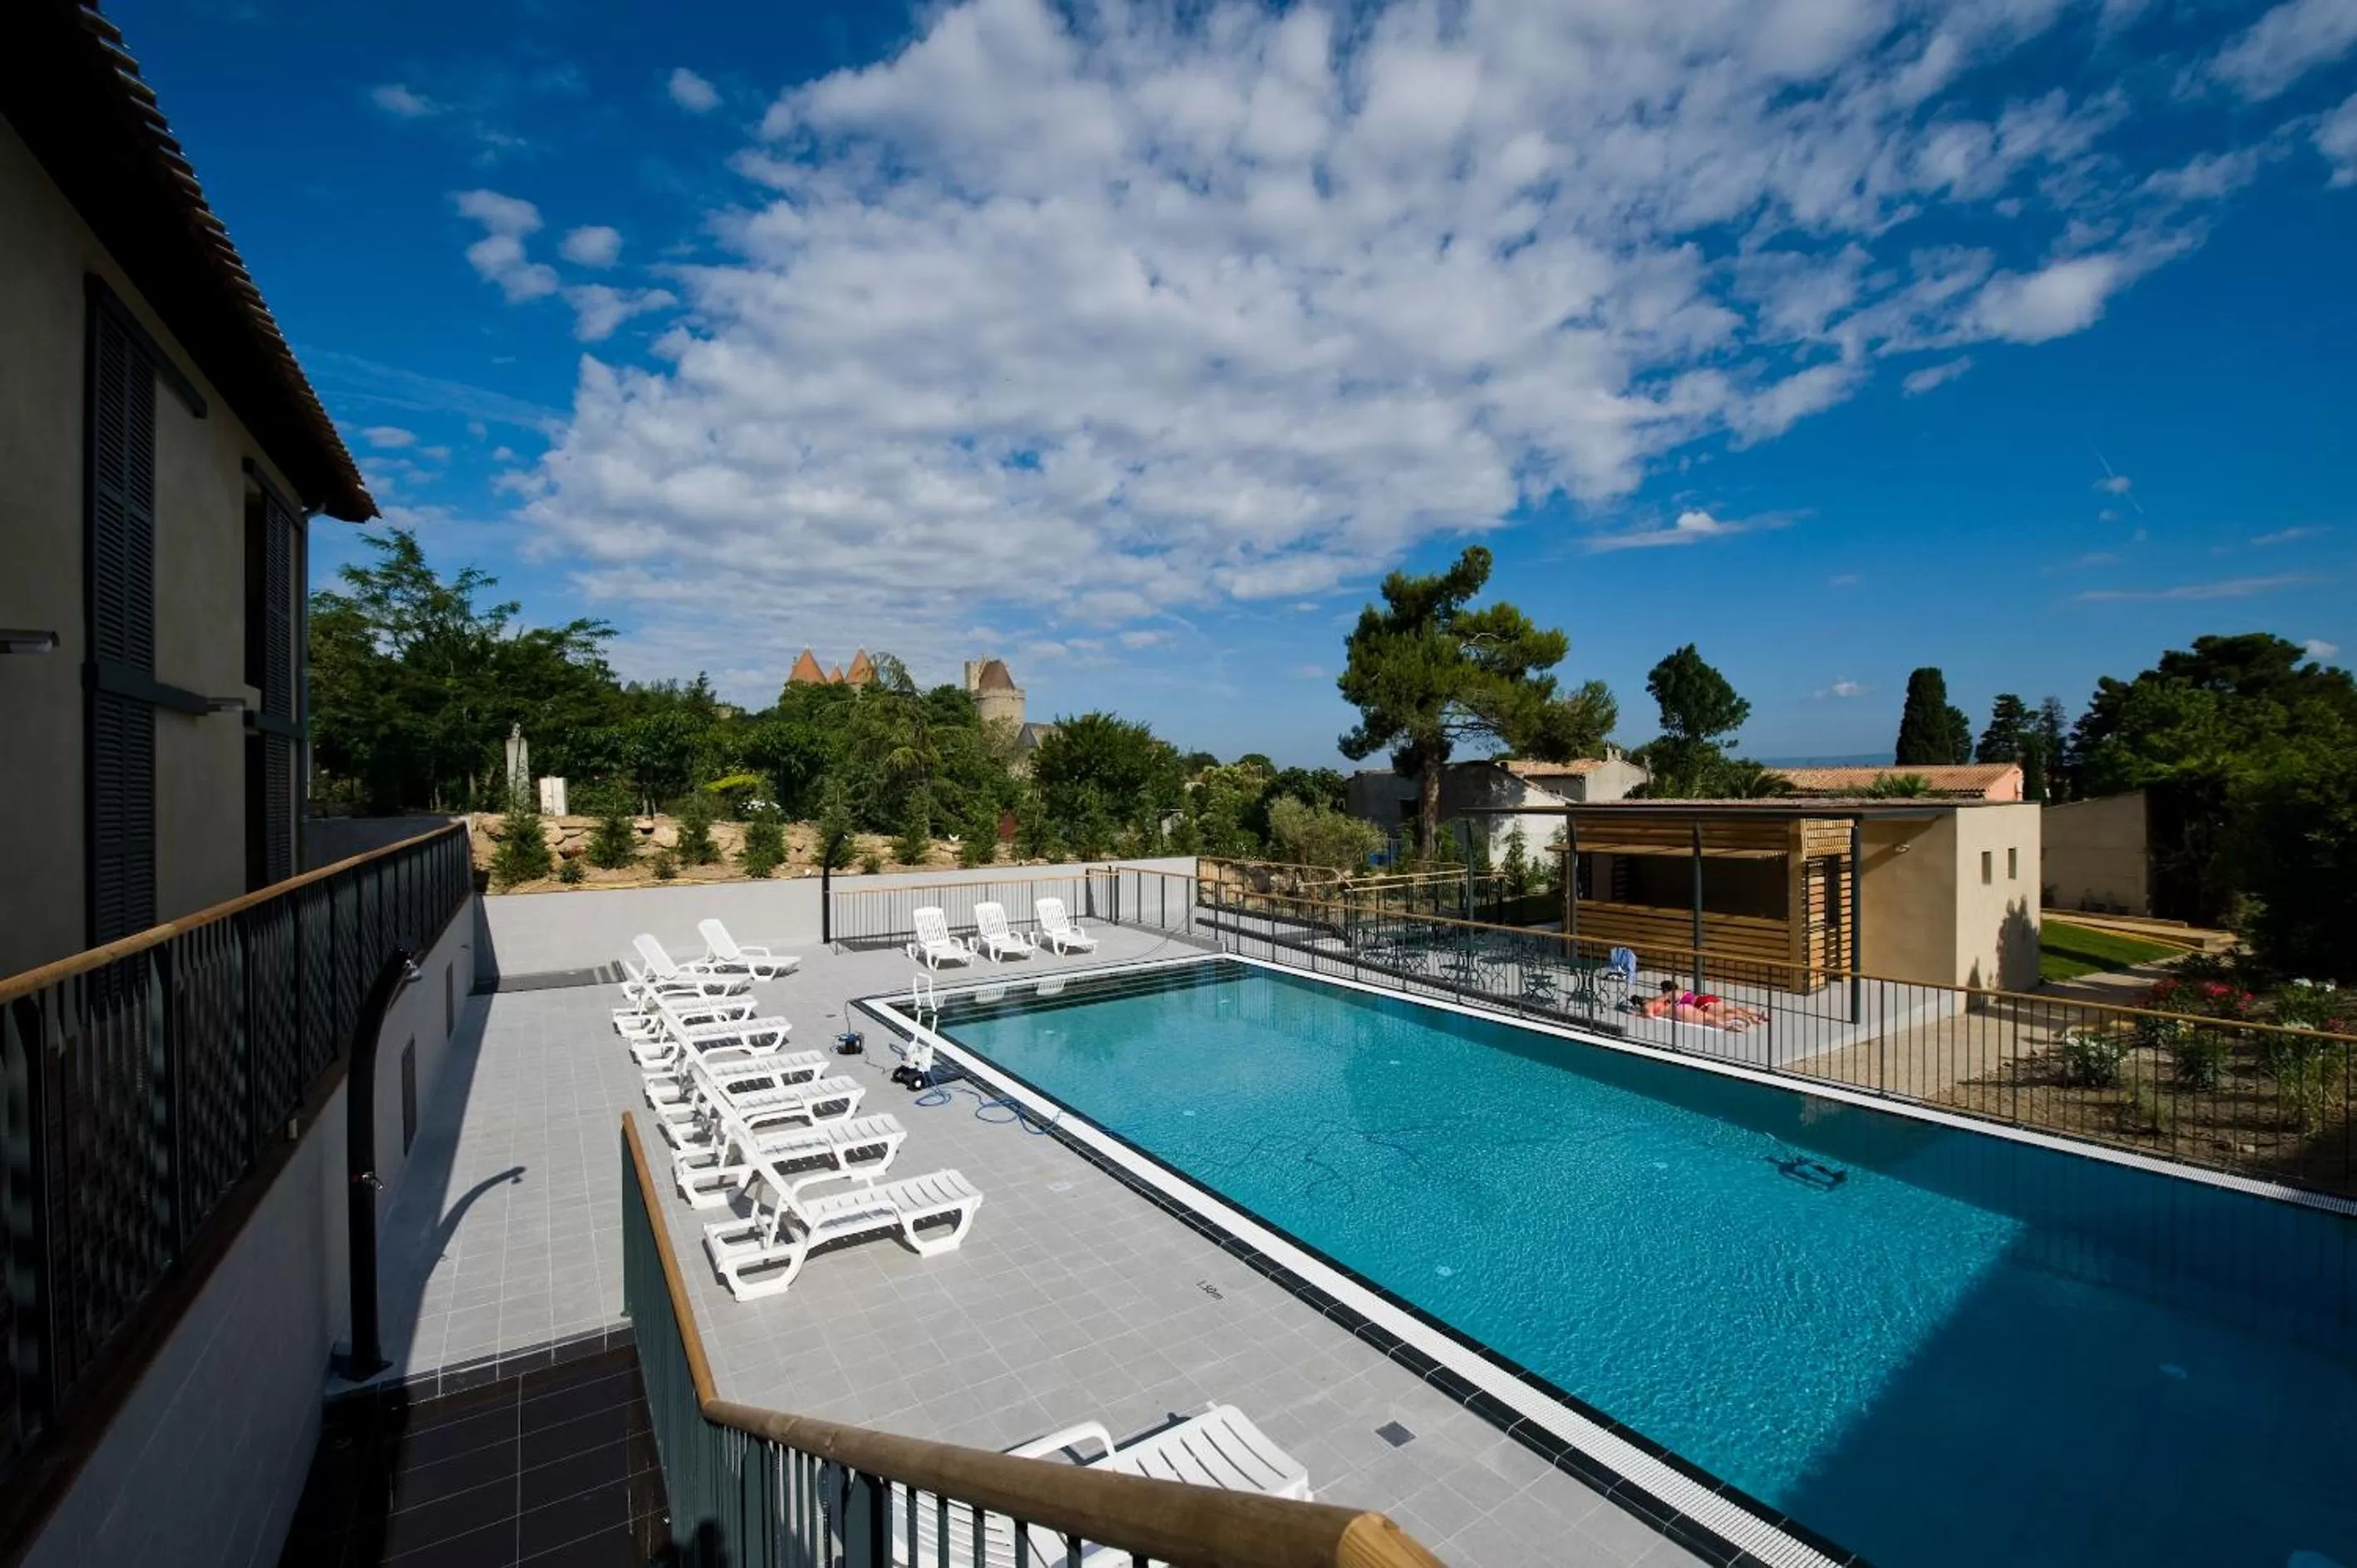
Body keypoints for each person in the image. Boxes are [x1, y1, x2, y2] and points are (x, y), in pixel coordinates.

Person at [1641, 979, 1769, 1031]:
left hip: (1702, 1004)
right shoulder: (1682, 991)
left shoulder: (1670, 994)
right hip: (1707, 998)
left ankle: (1749, 1019)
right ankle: (1758, 1015)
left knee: (1724, 1015)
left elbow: (1655, 1000)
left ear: (1665, 989)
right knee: (1734, 1008)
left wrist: (1645, 1001)